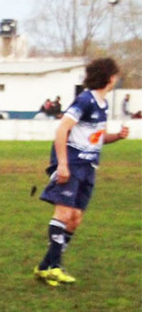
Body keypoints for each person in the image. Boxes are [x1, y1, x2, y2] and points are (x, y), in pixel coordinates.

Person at [33, 57, 130, 286]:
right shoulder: (84, 100)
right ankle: (54, 267)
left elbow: (95, 138)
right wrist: (63, 164)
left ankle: (45, 266)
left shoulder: (103, 104)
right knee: (64, 214)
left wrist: (116, 136)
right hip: (73, 164)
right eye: (114, 75)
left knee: (75, 219)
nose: (116, 79)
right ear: (109, 77)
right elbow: (62, 129)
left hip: (88, 167)